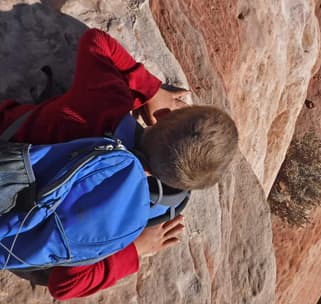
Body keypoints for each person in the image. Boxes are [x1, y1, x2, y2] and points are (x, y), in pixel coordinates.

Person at [0, 28, 238, 300]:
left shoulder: (105, 102)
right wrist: (134, 250)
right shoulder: (125, 224)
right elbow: (62, 287)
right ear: (177, 185)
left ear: (160, 116)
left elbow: (97, 42)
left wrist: (150, 89)